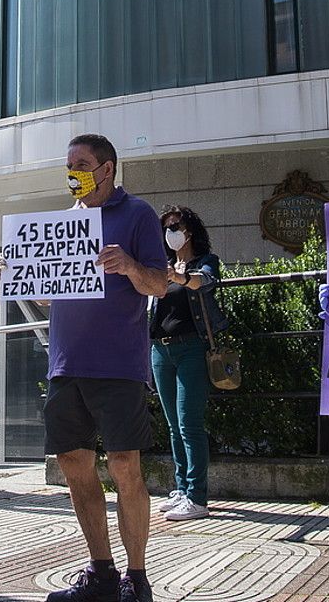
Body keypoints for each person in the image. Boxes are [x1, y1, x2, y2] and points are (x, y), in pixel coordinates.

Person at [0, 133, 169, 602]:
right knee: (74, 464)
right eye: (69, 164)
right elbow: (52, 295)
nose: (73, 171)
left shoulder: (138, 215)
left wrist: (130, 266)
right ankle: (102, 571)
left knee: (125, 466)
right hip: (66, 364)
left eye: (82, 163)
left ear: (108, 169)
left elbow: (159, 285)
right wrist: (17, 273)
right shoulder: (65, 223)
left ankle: (137, 578)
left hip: (117, 365)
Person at [150, 206, 224, 522]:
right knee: (172, 424)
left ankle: (197, 496)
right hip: (160, 351)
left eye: (175, 226)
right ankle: (182, 489)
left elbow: (203, 282)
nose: (170, 232)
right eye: (166, 227)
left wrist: (180, 277)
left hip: (192, 348)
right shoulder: (162, 265)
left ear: (189, 230)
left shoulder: (204, 263)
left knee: (188, 422)